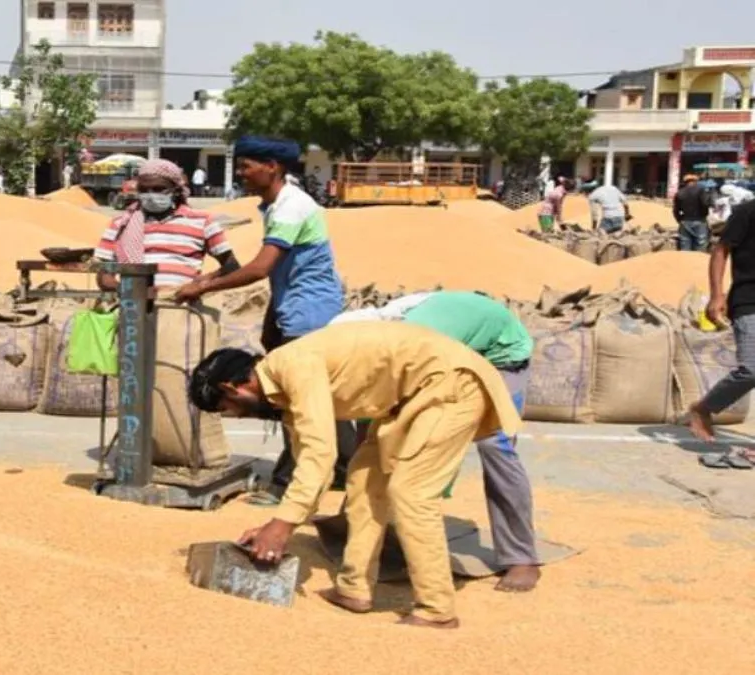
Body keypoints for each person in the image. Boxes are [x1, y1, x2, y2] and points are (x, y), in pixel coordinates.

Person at [187, 323, 522, 629]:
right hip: (407, 400)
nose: (237, 416)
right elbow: (310, 462)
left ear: (231, 387)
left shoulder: (294, 366)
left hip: (450, 385)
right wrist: (278, 522)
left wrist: (283, 525)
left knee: (411, 492)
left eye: (227, 409)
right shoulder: (283, 394)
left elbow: (321, 454)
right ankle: (354, 588)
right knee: (362, 481)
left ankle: (437, 610)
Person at [175, 135, 350, 504]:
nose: (241, 174)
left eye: (247, 166)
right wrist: (271, 319)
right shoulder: (274, 206)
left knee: (292, 398)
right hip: (296, 306)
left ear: (273, 166)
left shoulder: (291, 208)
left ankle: (289, 483)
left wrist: (205, 287)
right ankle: (341, 470)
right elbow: (281, 274)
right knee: (327, 399)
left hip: (310, 312)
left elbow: (260, 268)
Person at [330, 291, 541, 592]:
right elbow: (371, 429)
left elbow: (438, 434)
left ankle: (521, 557)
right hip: (451, 357)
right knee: (383, 438)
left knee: (496, 444)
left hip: (500, 357)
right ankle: (382, 543)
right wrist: (356, 511)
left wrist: (432, 483)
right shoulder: (379, 356)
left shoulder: (417, 339)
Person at [92, 158, 239, 291]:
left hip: (182, 307)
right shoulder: (121, 224)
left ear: (175, 190)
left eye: (158, 189)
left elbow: (231, 266)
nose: (150, 194)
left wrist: (200, 284)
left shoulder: (202, 221)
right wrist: (126, 291)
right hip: (131, 308)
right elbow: (103, 273)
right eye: (143, 190)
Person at [688, 198, 755, 451]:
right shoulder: (747, 211)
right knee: (752, 368)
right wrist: (717, 295)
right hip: (749, 299)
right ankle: (704, 408)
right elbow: (720, 251)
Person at [673, 174, 712, 252]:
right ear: (696, 181)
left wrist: (680, 219)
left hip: (685, 221)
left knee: (684, 247)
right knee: (700, 246)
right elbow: (705, 204)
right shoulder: (701, 190)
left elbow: (675, 210)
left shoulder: (680, 192)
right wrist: (705, 214)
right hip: (699, 220)